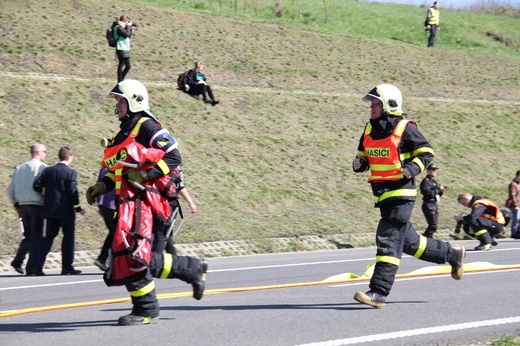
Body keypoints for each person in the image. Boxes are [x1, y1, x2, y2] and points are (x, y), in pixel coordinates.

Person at [85, 79, 208, 326]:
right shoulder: (125, 131)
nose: (117, 104)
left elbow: (173, 155)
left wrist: (146, 175)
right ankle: (188, 270)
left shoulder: (147, 126)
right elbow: (120, 169)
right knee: (128, 255)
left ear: (134, 101)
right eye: (117, 100)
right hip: (131, 202)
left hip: (149, 201)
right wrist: (103, 185)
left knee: (132, 253)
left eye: (120, 100)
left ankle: (148, 307)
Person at [351, 84, 465, 308]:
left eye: (375, 103)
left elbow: (426, 152)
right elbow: (364, 157)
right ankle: (451, 254)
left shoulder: (405, 128)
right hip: (382, 195)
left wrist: (411, 169)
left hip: (402, 194)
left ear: (388, 104)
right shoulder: (368, 129)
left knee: (388, 238)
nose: (371, 107)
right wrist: (359, 164)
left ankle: (379, 291)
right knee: (411, 243)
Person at [32, 146, 86, 275]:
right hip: (66, 212)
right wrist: (78, 208)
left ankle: (37, 265)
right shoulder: (70, 173)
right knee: (68, 238)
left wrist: (47, 195)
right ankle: (67, 266)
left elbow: (36, 185)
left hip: (50, 211)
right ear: (69, 157)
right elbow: (73, 192)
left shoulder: (48, 171)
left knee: (49, 237)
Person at [7, 143, 47, 275]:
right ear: (38, 153)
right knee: (37, 237)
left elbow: (10, 189)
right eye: (44, 151)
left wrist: (16, 204)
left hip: (22, 206)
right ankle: (32, 267)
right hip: (37, 205)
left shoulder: (19, 168)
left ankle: (18, 261)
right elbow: (45, 189)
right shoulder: (42, 168)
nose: (45, 154)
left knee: (28, 235)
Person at [152, 168, 198, 255]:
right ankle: (174, 259)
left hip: (167, 205)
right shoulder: (156, 160)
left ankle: (154, 262)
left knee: (162, 233)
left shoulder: (175, 167)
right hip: (156, 202)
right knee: (166, 234)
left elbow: (180, 186)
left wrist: (191, 203)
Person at [94, 167, 117, 272]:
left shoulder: (104, 167)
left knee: (113, 233)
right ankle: (106, 259)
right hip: (113, 205)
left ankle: (103, 259)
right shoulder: (120, 167)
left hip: (104, 204)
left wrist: (99, 204)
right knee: (116, 234)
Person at [419, 163, 446, 238]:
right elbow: (427, 193)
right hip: (428, 204)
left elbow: (437, 195)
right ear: (428, 171)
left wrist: (441, 190)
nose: (435, 171)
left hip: (434, 204)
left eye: (435, 170)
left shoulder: (433, 181)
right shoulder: (426, 182)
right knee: (433, 225)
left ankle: (428, 239)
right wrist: (438, 189)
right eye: (433, 170)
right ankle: (425, 238)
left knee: (434, 225)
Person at [112, 15, 134, 82]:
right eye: (126, 20)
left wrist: (129, 27)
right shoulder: (118, 27)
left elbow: (129, 35)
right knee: (121, 64)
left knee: (128, 66)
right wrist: (128, 26)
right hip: (121, 47)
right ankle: (119, 81)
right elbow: (126, 34)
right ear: (123, 21)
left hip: (125, 48)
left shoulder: (122, 27)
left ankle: (121, 80)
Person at [507, 170, 520, 238]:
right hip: (515, 205)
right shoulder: (513, 184)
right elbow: (513, 195)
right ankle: (513, 233)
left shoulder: (518, 183)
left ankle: (517, 232)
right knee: (516, 219)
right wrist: (516, 205)